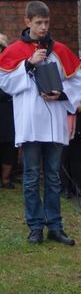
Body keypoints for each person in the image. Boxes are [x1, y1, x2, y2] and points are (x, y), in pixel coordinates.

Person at [0, 1, 81, 245]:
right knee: (30, 176)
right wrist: (28, 64)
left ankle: (55, 226)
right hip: (30, 122)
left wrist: (61, 94)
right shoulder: (15, 50)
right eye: (39, 23)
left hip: (55, 121)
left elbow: (77, 80)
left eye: (46, 22)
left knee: (53, 176)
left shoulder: (59, 49)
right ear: (28, 22)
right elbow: (4, 82)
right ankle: (35, 226)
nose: (43, 27)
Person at [0, 33, 17, 189]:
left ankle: (6, 179)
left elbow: (14, 87)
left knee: (9, 145)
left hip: (8, 112)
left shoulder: (10, 65)